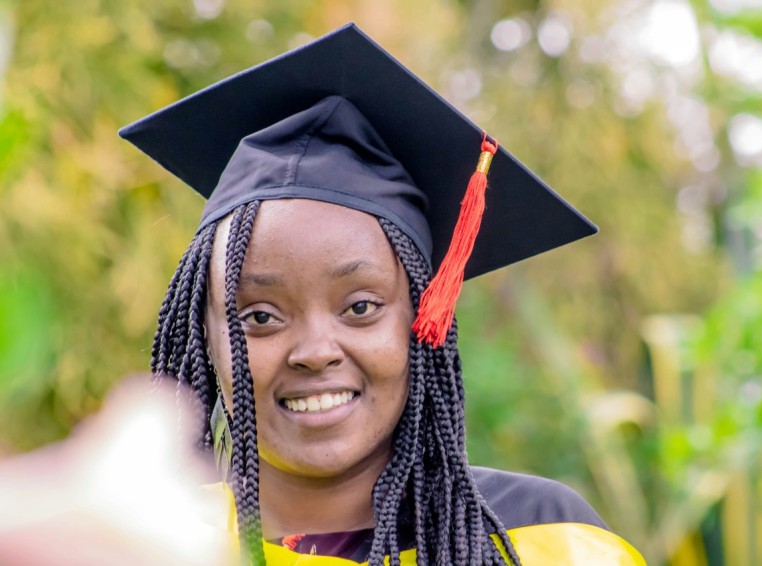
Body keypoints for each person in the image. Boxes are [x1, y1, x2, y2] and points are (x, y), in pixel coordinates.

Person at [120, 24, 646, 566]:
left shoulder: (545, 541)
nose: (315, 351)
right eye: (260, 316)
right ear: (205, 337)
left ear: (423, 324)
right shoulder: (140, 545)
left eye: (360, 307)